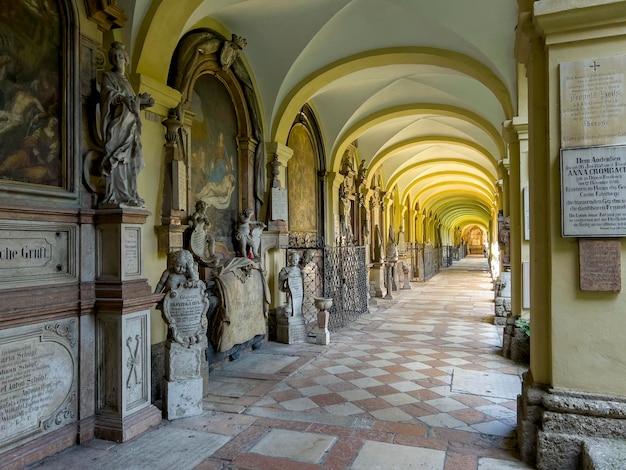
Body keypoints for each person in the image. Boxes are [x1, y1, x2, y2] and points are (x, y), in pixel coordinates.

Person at [99, 41, 154, 207]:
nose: (118, 59)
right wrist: (123, 98)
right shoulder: (108, 76)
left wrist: (143, 102)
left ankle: (131, 193)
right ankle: (120, 195)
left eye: (120, 56)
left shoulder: (127, 80)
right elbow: (107, 95)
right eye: (114, 56)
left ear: (126, 59)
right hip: (118, 125)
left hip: (131, 126)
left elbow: (132, 103)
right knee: (119, 160)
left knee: (136, 160)